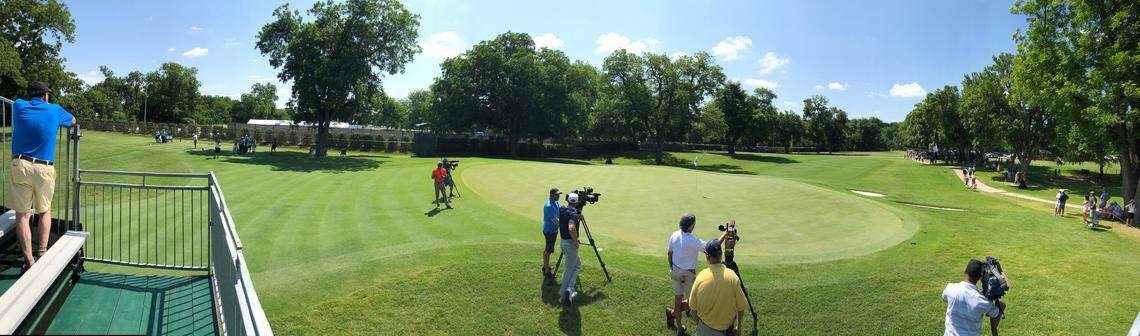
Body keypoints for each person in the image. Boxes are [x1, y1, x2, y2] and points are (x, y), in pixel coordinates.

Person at [9, 81, 77, 271]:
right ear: (45, 95)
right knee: (44, 211)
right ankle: (42, 253)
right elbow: (73, 121)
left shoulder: (18, 106)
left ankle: (28, 260)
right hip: (44, 168)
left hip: (20, 164)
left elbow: (20, 102)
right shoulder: (54, 110)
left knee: (21, 215)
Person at [665, 213, 729, 333]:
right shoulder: (693, 240)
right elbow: (712, 247)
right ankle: (674, 313)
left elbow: (669, 254)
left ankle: (678, 326)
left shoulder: (674, 235)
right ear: (691, 226)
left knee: (678, 300)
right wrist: (725, 234)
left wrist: (673, 268)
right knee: (692, 303)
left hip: (674, 271)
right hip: (687, 275)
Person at [687, 240, 747, 336]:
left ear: (707, 256)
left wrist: (700, 324)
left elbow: (693, 307)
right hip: (727, 331)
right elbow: (741, 307)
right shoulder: (732, 276)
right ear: (721, 255)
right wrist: (739, 327)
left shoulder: (701, 276)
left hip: (705, 330)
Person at [941, 259, 1004, 336]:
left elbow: (944, 297)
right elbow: (996, 314)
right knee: (1002, 305)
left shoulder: (950, 288)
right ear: (980, 277)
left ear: (965, 271)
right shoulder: (982, 301)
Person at [558, 195, 583, 306]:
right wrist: (576, 241)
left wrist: (578, 215)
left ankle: (569, 289)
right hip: (570, 245)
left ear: (568, 201)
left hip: (562, 242)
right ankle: (562, 296)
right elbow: (572, 228)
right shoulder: (573, 215)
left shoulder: (562, 209)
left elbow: (566, 213)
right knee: (568, 271)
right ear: (577, 203)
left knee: (577, 265)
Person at [541, 188, 561, 279]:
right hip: (549, 231)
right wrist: (564, 225)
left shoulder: (556, 202)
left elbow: (560, 212)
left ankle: (545, 266)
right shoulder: (549, 206)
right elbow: (555, 221)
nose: (558, 196)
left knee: (549, 249)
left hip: (553, 230)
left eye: (559, 194)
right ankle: (546, 270)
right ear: (551, 195)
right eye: (556, 195)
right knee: (548, 250)